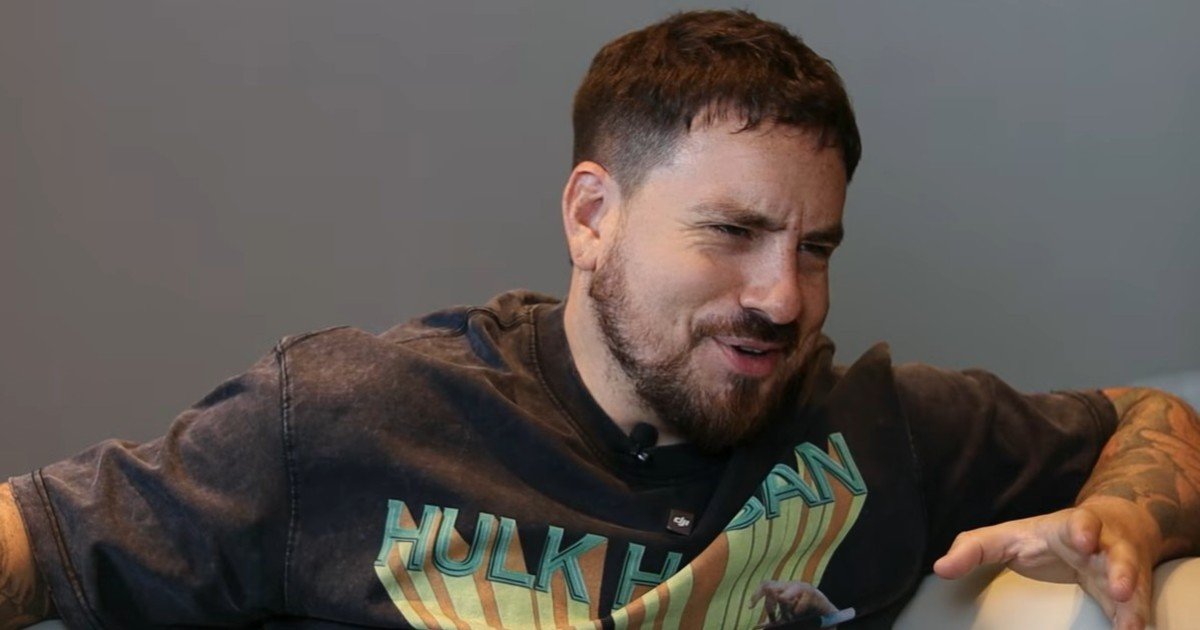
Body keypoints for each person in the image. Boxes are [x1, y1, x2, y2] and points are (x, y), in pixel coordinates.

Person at [1, 9, 1197, 630]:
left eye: (816, 248)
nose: (785, 298)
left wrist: (1126, 517)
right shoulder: (347, 421)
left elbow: (1153, 415)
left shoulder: (880, 432)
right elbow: (36, 542)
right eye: (732, 233)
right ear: (591, 217)